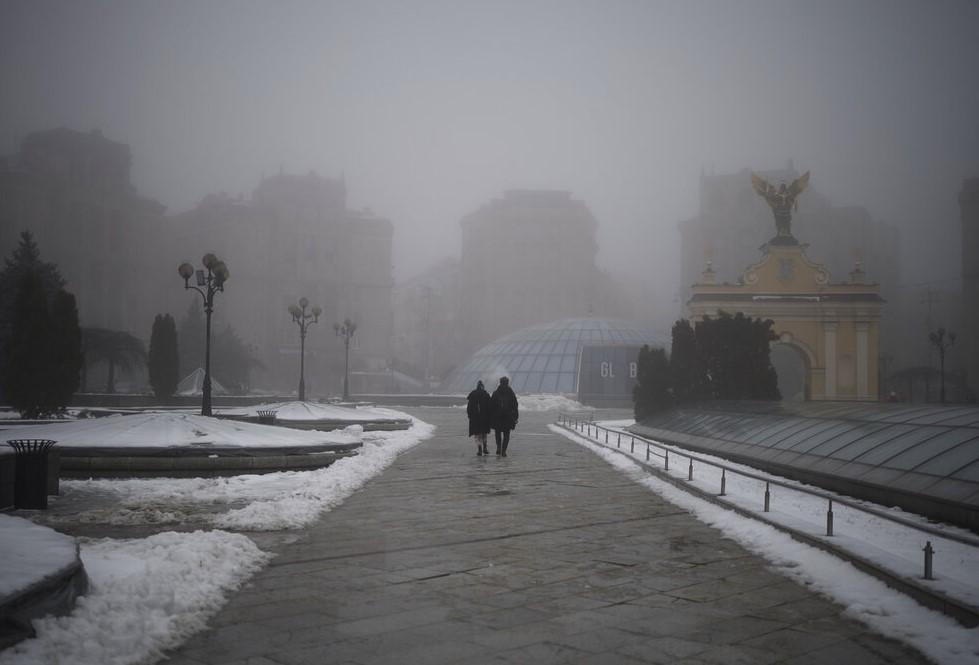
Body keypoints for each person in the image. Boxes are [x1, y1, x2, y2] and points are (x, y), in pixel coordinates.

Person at [490, 376, 519, 456]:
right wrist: (516, 417)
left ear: (500, 382)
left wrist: (491, 417)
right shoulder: (511, 393)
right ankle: (504, 451)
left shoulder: (495, 393)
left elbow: (491, 406)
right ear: (507, 382)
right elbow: (515, 405)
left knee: (498, 433)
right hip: (508, 417)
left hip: (497, 417)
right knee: (506, 435)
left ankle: (499, 447)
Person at [466, 380, 492, 456]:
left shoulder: (472, 394)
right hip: (485, 418)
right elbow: (489, 407)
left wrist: (470, 416)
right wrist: (490, 417)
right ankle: (485, 448)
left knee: (477, 434)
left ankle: (479, 449)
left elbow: (469, 408)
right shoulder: (486, 394)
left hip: (475, 418)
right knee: (484, 433)